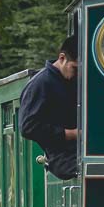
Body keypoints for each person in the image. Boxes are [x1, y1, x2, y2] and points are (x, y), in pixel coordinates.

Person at [20, 35, 79, 180]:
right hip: (63, 158)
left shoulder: (71, 81)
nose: (77, 74)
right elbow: (27, 127)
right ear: (62, 58)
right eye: (75, 68)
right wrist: (72, 133)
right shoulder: (41, 84)